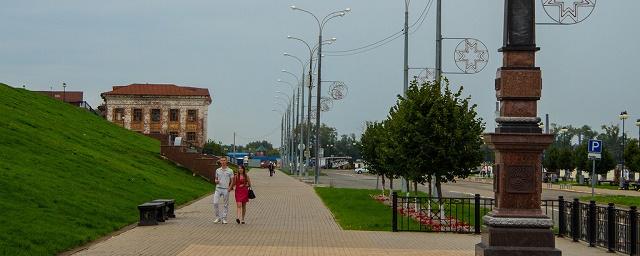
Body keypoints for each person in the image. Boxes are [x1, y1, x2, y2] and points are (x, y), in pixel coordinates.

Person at [213, 157, 234, 224]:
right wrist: (216, 181)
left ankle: (224, 218)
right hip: (218, 188)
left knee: (225, 204)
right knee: (215, 203)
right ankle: (217, 217)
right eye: (221, 160)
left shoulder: (230, 170)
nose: (223, 161)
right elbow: (215, 179)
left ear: (226, 161)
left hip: (226, 189)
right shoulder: (217, 170)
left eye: (224, 160)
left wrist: (230, 188)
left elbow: (232, 180)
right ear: (220, 161)